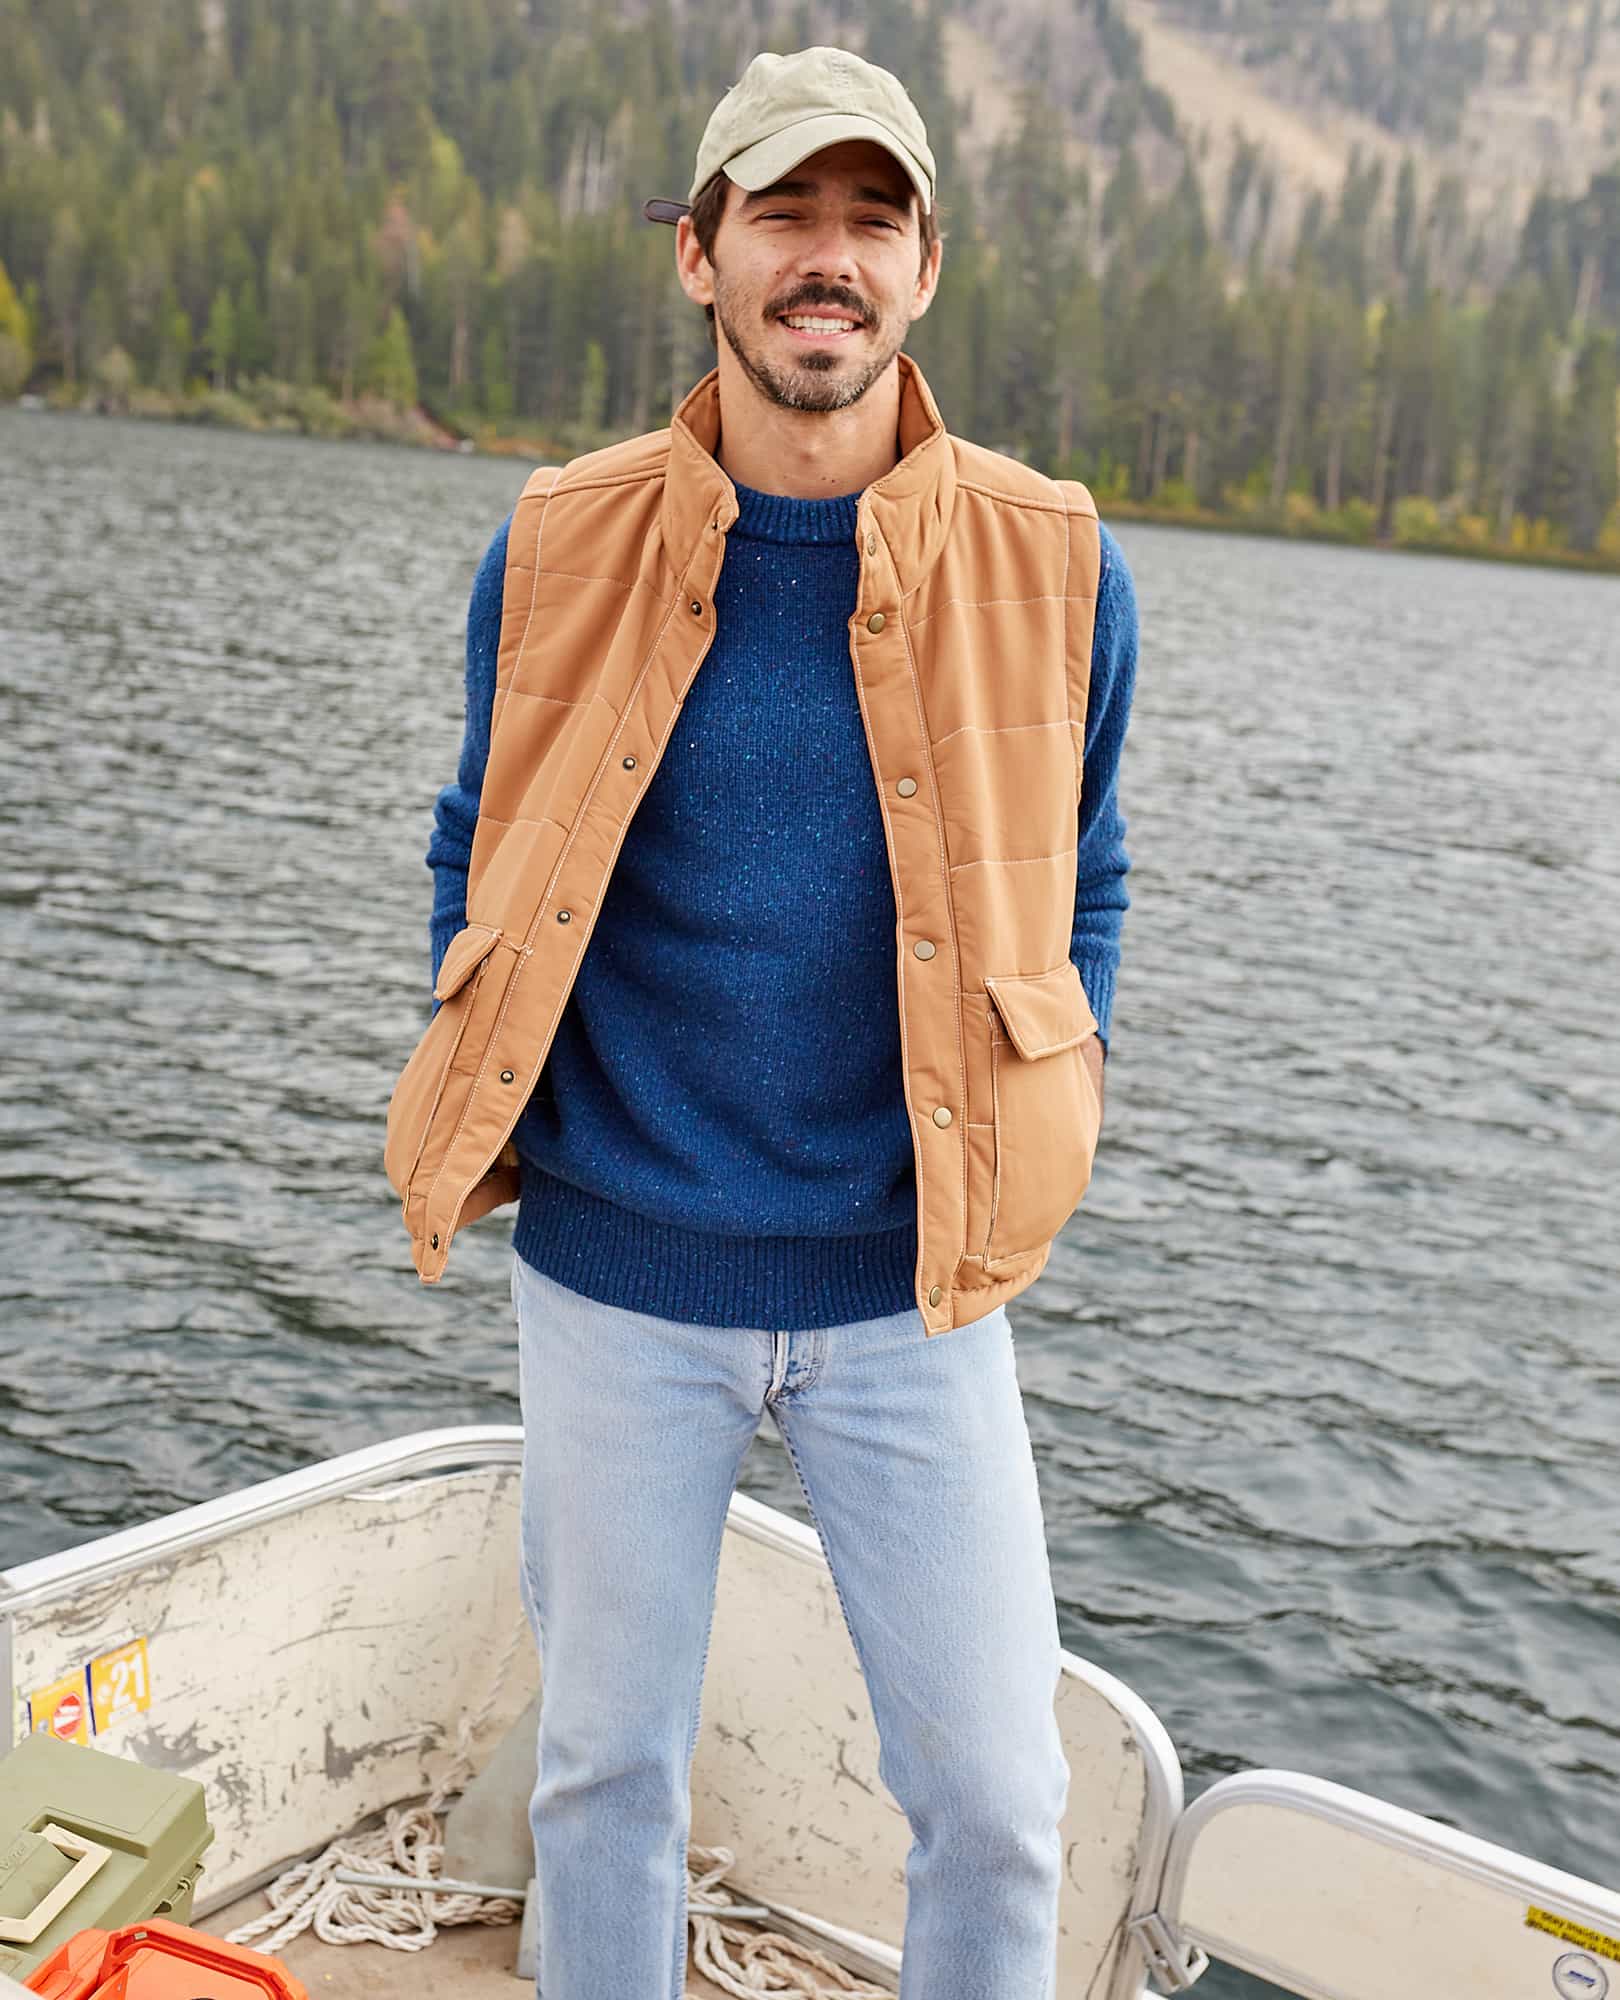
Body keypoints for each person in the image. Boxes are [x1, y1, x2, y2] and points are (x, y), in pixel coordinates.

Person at [397, 43, 1138, 2000]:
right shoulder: (554, 540)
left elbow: (1089, 871)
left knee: (1001, 1802)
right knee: (603, 1779)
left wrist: (1059, 1090)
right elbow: (479, 835)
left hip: (914, 1286)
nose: (831, 257)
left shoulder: (1059, 562)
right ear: (698, 254)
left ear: (927, 267)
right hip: (619, 1273)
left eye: (872, 220)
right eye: (784, 214)